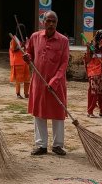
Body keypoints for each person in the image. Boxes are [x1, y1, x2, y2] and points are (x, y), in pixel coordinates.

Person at [25, 11, 69, 156]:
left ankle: (57, 145)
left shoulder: (63, 40)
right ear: (43, 22)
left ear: (57, 23)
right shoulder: (35, 37)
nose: (51, 24)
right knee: (39, 113)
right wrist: (27, 57)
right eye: (48, 21)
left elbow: (64, 64)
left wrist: (55, 80)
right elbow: (29, 52)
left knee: (58, 114)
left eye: (53, 22)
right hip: (38, 81)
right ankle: (41, 145)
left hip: (56, 84)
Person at [9, 25, 30, 99]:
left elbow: (28, 48)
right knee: (18, 79)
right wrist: (21, 46)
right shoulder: (14, 39)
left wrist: (25, 45)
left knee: (27, 78)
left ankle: (26, 93)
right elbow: (13, 49)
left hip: (25, 61)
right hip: (18, 61)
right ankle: (18, 94)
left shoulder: (26, 39)